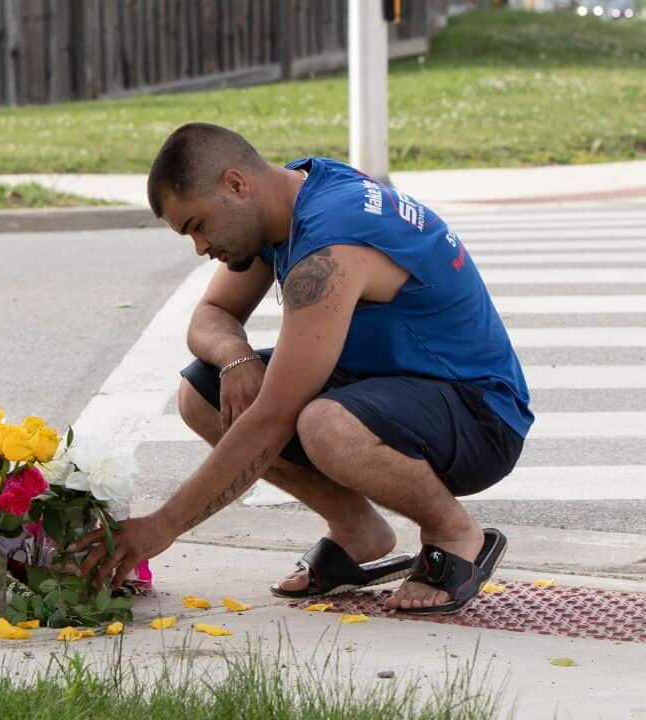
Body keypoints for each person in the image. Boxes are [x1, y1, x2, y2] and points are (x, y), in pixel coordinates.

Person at [74, 123, 530, 614]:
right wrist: (235, 358)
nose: (200, 248)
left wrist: (160, 526)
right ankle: (357, 532)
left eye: (197, 225)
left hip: (479, 411)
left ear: (235, 185)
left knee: (324, 425)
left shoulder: (329, 243)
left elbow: (272, 418)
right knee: (203, 392)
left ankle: (456, 533)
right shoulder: (285, 199)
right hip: (389, 384)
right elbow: (210, 317)